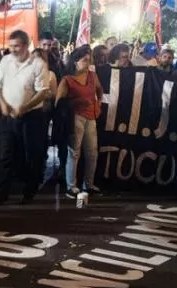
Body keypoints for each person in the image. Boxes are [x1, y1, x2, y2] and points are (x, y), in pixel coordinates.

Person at [0, 30, 51, 205]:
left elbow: (43, 92)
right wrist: (3, 104)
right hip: (8, 117)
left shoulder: (38, 64)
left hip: (31, 117)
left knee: (30, 155)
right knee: (5, 155)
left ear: (26, 45)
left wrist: (25, 107)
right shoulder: (6, 61)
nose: (13, 49)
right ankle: (1, 193)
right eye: (11, 46)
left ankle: (29, 191)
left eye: (17, 46)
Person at [57, 44, 103, 199]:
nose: (87, 63)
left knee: (92, 152)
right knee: (74, 152)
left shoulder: (92, 76)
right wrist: (76, 102)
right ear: (75, 62)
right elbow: (58, 102)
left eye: (89, 60)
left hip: (91, 117)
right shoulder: (67, 80)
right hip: (75, 117)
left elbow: (100, 90)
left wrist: (98, 104)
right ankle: (71, 186)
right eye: (84, 60)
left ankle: (89, 184)